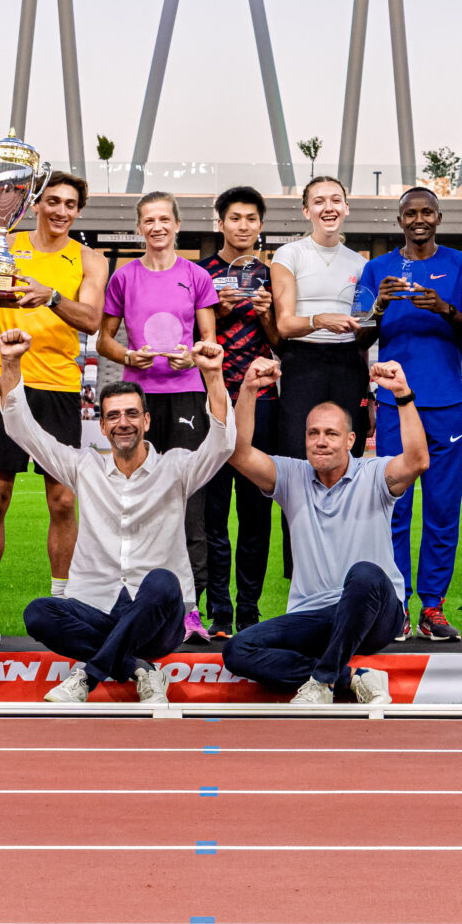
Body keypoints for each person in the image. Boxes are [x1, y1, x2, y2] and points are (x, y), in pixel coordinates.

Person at [0, 329, 234, 704]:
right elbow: (21, 429)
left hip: (159, 620)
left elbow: (222, 442)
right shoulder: (84, 467)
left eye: (131, 414)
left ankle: (87, 675)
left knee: (163, 581)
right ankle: (138, 668)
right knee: (39, 613)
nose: (123, 422)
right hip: (97, 607)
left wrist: (214, 375)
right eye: (114, 416)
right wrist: (10, 362)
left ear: (147, 421)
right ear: (103, 426)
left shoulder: (176, 468)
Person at [222, 355, 428, 704]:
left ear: (350, 440)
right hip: (314, 615)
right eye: (313, 433)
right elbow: (238, 453)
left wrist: (403, 395)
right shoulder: (291, 476)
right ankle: (349, 677)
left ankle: (321, 681)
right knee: (237, 650)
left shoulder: (373, 474)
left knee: (365, 574)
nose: (321, 441)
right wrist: (248, 389)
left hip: (374, 612)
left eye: (331, 434)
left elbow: (418, 460)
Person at [0, 170, 108, 642]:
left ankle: (64, 604)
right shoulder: (4, 245)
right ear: (35, 203)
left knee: (63, 500)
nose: (60, 210)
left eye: (70, 204)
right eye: (52, 201)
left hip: (60, 387)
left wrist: (50, 296)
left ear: (78, 211)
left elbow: (92, 319)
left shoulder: (88, 259)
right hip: (7, 379)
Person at [97, 191, 222, 642]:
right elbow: (103, 340)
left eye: (164, 219)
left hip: (187, 396)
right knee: (139, 501)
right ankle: (137, 602)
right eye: (148, 220)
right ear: (139, 227)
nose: (157, 227)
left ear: (177, 224)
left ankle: (191, 609)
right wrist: (129, 355)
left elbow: (210, 341)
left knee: (190, 503)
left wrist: (194, 355)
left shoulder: (196, 276)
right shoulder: (124, 277)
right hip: (138, 399)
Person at [354, 186, 462, 641]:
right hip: (394, 406)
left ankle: (433, 607)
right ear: (400, 220)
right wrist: (379, 305)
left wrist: (444, 309)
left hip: (445, 404)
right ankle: (397, 606)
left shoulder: (460, 264)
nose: (419, 219)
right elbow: (358, 338)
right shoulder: (376, 269)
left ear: (438, 218)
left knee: (443, 510)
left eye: (427, 212)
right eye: (410, 213)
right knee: (395, 509)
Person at [200, 186, 279, 635]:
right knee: (213, 513)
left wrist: (265, 315)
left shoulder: (272, 274)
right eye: (235, 218)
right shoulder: (201, 273)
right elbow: (195, 335)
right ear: (221, 223)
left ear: (260, 225)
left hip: (261, 402)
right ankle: (220, 611)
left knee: (255, 512)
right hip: (213, 400)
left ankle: (248, 609)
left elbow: (281, 340)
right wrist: (222, 311)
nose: (243, 225)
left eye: (251, 218)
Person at [270, 175, 369, 456]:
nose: (329, 208)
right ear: (306, 211)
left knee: (348, 451)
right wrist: (320, 320)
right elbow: (285, 325)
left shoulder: (361, 264)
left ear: (346, 207)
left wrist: (368, 395)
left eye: (336, 200)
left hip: (348, 363)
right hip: (303, 360)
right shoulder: (288, 255)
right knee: (296, 448)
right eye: (319, 201)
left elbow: (363, 336)